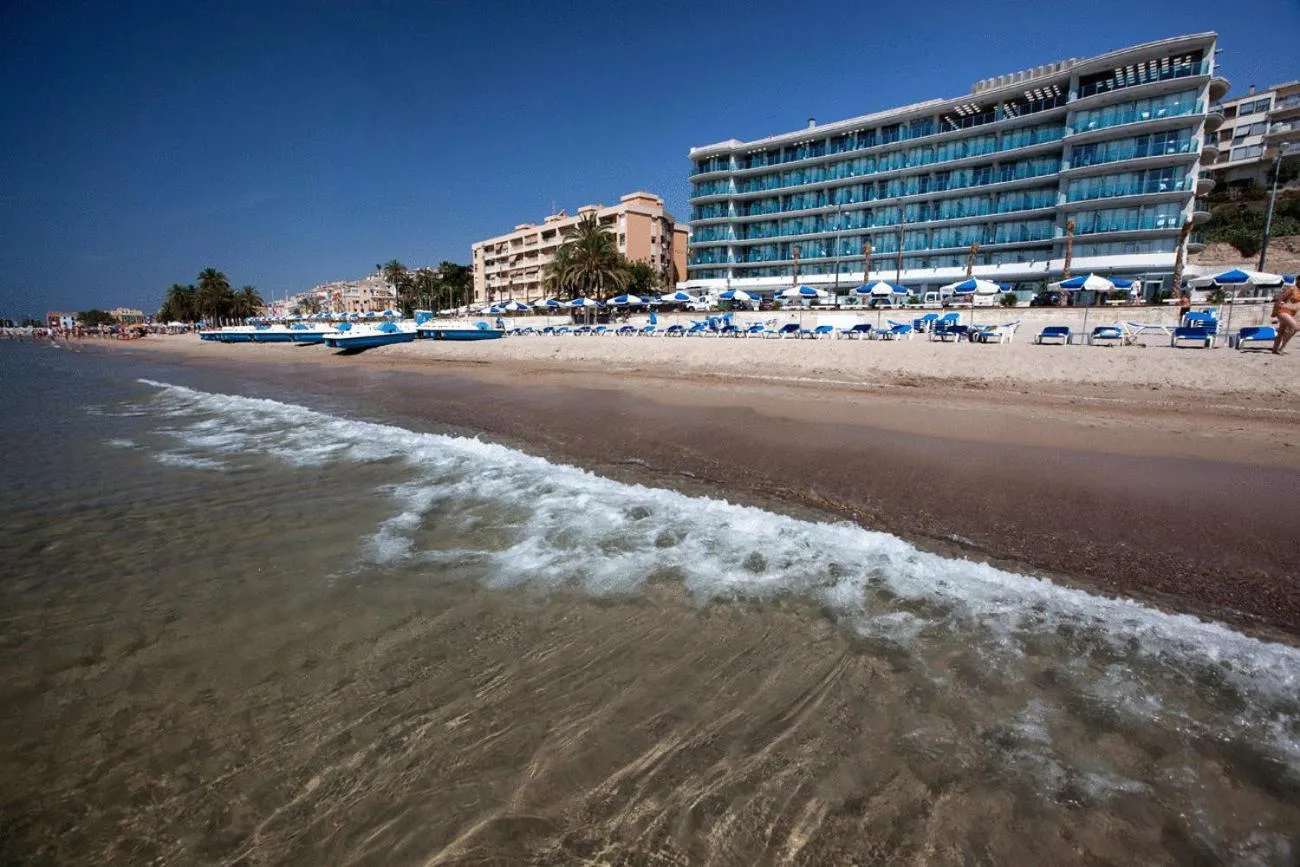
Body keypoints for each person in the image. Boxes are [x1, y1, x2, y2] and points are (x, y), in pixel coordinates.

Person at [1272, 283, 1300, 355]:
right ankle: (1281, 348)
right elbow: (1280, 299)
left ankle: (1275, 349)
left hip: (1291, 313)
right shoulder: (1292, 289)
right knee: (1295, 327)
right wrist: (1275, 311)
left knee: (1281, 332)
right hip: (1283, 311)